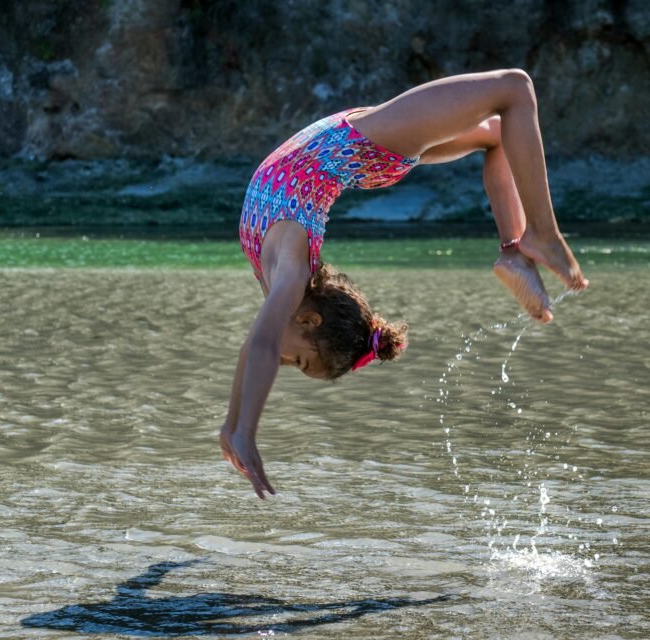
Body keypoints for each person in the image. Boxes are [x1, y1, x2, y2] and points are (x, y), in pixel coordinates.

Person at [220, 69, 588, 499]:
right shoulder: (292, 274)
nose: (282, 363)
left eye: (296, 365)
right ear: (311, 320)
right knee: (513, 92)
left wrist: (234, 426)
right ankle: (528, 241)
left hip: (359, 147)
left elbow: (255, 347)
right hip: (364, 145)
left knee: (503, 116)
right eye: (299, 362)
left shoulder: (284, 281)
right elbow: (261, 347)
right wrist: (243, 429)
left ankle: (525, 244)